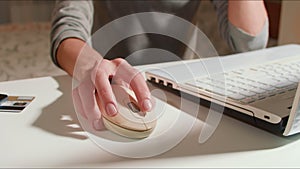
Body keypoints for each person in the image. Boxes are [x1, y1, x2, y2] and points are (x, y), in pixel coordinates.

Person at [50, 0, 269, 130]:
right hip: (109, 83)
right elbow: (68, 28)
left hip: (178, 87)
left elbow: (250, 43)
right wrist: (92, 66)